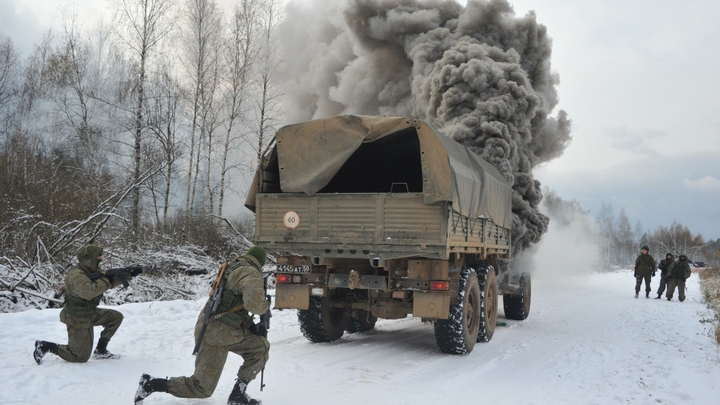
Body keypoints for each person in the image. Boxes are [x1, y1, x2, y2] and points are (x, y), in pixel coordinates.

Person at [134, 246, 270, 405]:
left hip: (226, 330)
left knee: (259, 348)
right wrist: (266, 305)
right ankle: (150, 384)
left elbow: (233, 303)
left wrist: (250, 325)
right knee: (202, 388)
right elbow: (255, 305)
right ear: (261, 263)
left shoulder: (235, 266)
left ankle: (238, 394)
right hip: (215, 334)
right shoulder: (249, 272)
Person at [33, 244, 130, 364]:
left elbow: (107, 283)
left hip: (90, 313)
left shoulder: (93, 271)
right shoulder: (76, 275)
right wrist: (106, 280)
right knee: (79, 357)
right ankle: (46, 346)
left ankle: (101, 350)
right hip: (77, 317)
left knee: (115, 317)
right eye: (97, 258)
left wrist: (127, 275)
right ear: (89, 259)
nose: (100, 260)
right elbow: (90, 291)